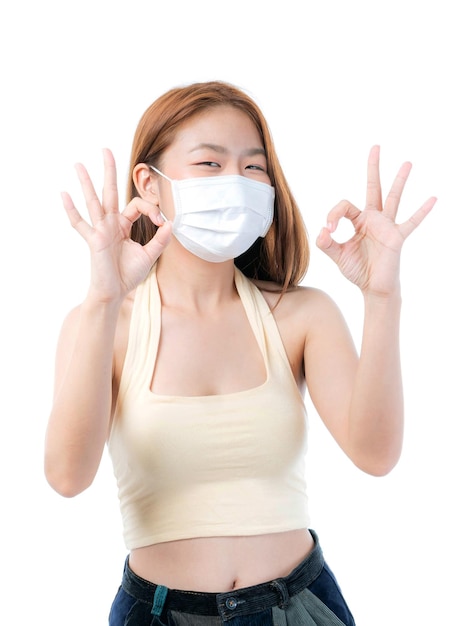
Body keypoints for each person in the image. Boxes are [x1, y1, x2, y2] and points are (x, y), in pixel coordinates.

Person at [44, 80, 436, 626]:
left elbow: (376, 454)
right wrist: (104, 298)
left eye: (253, 168)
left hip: (298, 606)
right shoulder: (104, 324)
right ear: (149, 185)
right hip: (156, 613)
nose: (237, 182)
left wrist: (382, 296)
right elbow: (66, 477)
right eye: (209, 163)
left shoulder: (302, 316)